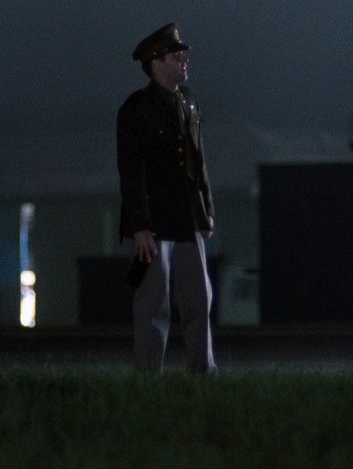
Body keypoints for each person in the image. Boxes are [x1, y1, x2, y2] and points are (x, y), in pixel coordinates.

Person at [116, 23, 217, 374]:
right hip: (154, 219)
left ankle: (203, 373)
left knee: (199, 299)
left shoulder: (188, 100)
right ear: (156, 63)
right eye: (176, 57)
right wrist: (139, 227)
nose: (184, 61)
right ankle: (147, 376)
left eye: (183, 55)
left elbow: (198, 159)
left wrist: (206, 210)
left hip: (187, 215)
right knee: (152, 304)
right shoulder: (136, 108)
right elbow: (131, 172)